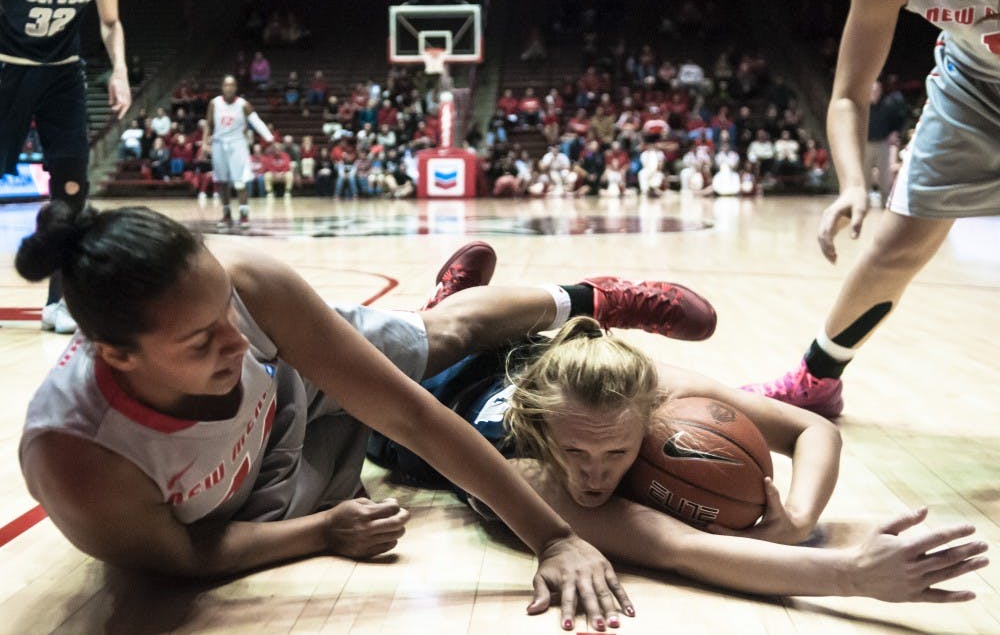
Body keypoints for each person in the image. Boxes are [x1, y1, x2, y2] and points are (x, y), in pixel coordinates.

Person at [13, 207, 718, 631]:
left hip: (290, 395)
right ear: (116, 355)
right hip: (254, 504)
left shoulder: (249, 286)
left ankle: (590, 297)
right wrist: (322, 531)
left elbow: (410, 412)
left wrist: (554, 536)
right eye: (201, 340)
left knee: (431, 343)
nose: (236, 339)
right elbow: (184, 558)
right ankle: (442, 300)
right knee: (394, 433)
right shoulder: (80, 458)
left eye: (225, 310)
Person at [374, 294, 988, 601]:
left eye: (616, 454)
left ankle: (478, 300)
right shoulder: (537, 476)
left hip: (528, 355)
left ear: (647, 419)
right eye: (577, 453)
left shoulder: (651, 387)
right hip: (414, 412)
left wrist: (798, 518)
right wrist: (849, 575)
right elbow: (679, 550)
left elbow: (813, 429)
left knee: (502, 327)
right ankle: (505, 299)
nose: (593, 476)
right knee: (425, 341)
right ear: (546, 436)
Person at [743, 0, 1000, 417]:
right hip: (969, 89)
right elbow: (848, 93)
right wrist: (852, 183)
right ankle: (818, 377)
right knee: (895, 248)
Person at [1, 0, 131, 334]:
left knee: (72, 185)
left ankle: (60, 302)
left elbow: (110, 22)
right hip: (7, 67)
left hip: (63, 73)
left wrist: (120, 70)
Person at [201, 75, 275, 230]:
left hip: (237, 144)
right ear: (222, 87)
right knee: (222, 181)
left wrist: (269, 138)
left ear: (236, 88)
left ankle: (244, 214)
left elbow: (256, 122)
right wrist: (204, 143)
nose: (229, 88)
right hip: (219, 144)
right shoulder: (214, 103)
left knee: (240, 181)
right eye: (226, 85)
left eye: (232, 85)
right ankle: (226, 214)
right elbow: (209, 124)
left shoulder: (243, 105)